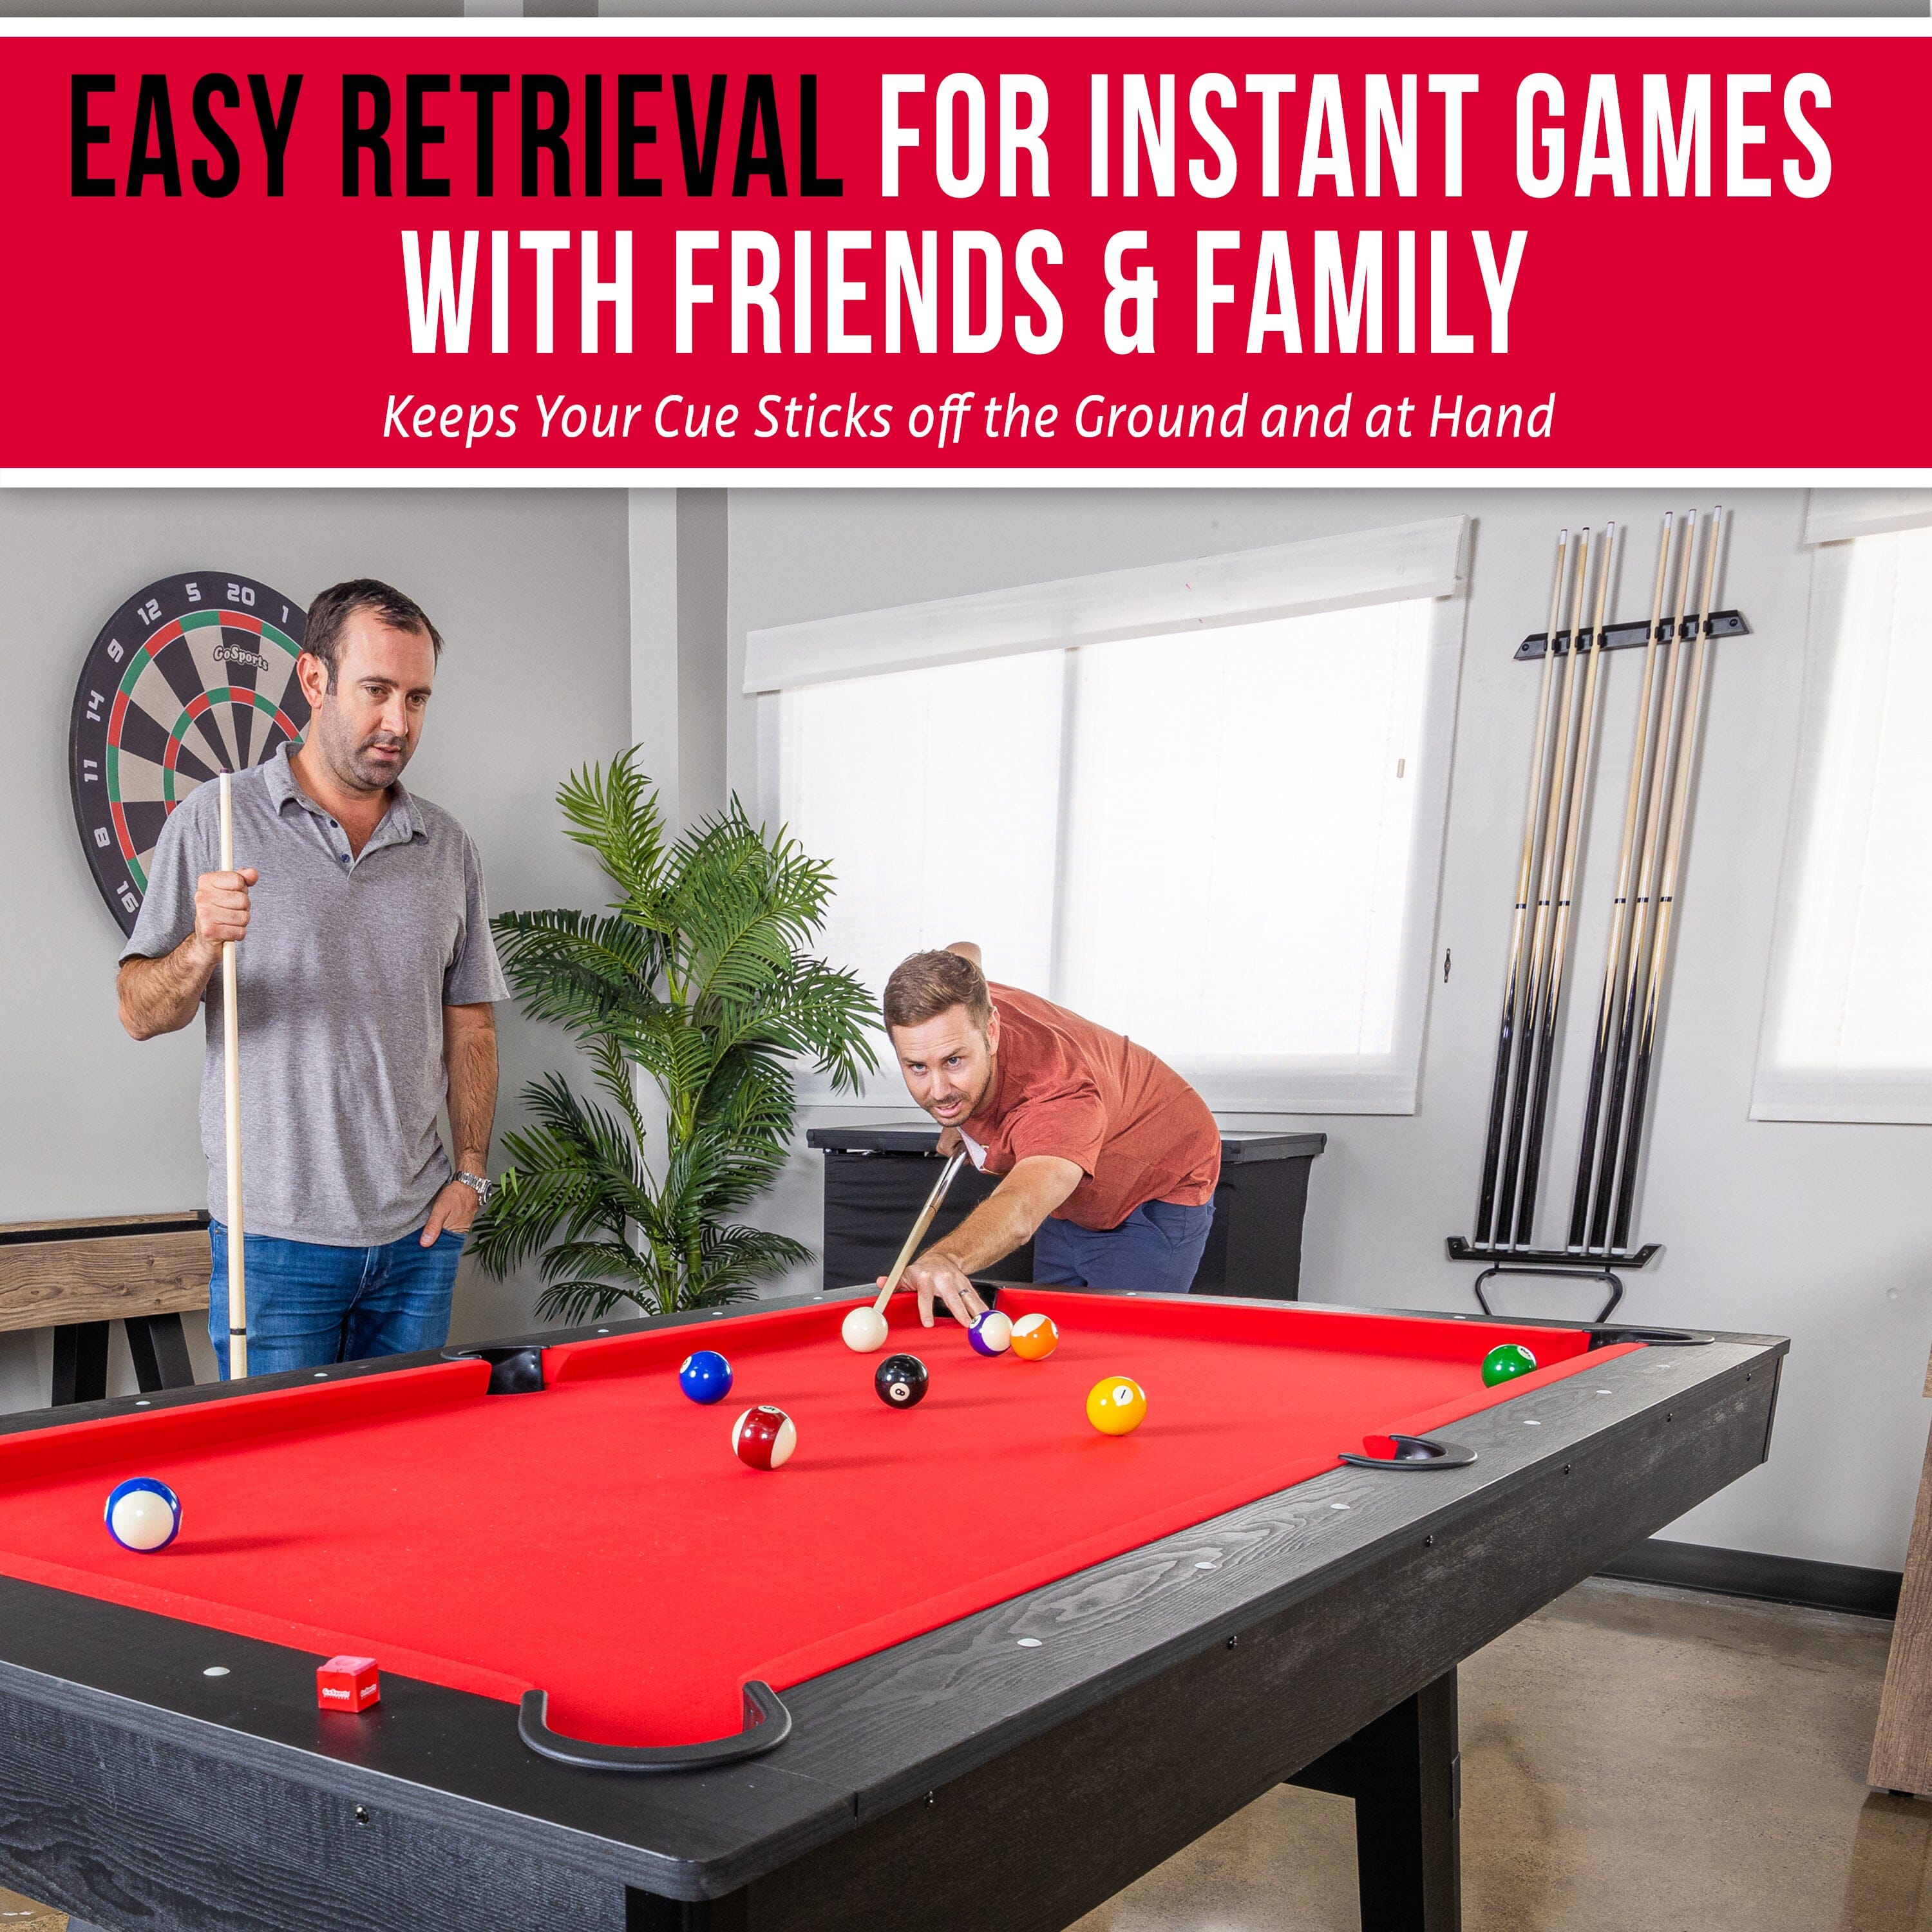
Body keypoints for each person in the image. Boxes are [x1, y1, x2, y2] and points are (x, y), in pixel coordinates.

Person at [117, 579, 509, 1378]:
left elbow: (471, 1022)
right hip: (275, 1244)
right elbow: (137, 1011)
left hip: (417, 1240)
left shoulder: (447, 847)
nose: (398, 723)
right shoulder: (216, 819)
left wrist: (471, 1174)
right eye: (376, 690)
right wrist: (200, 947)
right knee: (279, 1456)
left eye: (417, 698)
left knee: (405, 1452)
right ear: (314, 680)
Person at [880, 945, 1220, 1327]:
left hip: (1155, 1182)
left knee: (1118, 1346)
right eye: (918, 1067)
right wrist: (954, 1116)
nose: (939, 1090)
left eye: (954, 1061)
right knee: (1049, 1337)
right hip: (1068, 1183)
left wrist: (947, 1258)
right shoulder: (961, 993)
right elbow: (965, 951)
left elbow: (1022, 1209)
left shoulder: (1058, 1094)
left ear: (991, 1031)